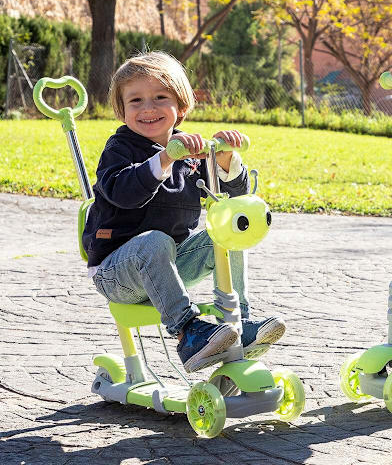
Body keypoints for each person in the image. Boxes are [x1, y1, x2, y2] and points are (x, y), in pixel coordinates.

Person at [83, 51, 285, 373]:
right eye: (136, 101)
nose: (148, 108)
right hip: (118, 273)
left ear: (181, 106)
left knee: (225, 234)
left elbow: (232, 202)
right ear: (122, 111)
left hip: (171, 263)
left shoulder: (192, 153)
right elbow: (125, 193)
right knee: (155, 241)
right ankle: (188, 333)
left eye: (160, 97)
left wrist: (225, 162)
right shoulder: (118, 149)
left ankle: (237, 321)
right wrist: (164, 160)